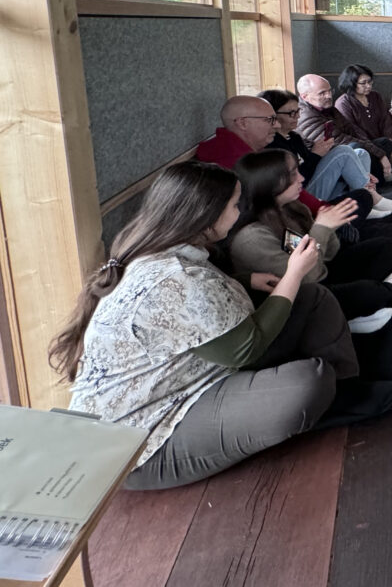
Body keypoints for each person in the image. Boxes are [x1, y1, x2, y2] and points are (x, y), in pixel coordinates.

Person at [54, 162, 357, 490]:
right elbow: (244, 349)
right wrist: (294, 273)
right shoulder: (176, 277)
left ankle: (345, 395)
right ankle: (325, 394)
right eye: (233, 205)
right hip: (143, 438)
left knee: (312, 298)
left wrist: (247, 279)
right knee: (308, 382)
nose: (239, 211)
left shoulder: (156, 251)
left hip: (192, 378)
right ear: (206, 215)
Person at [229, 151, 392, 325]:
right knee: (369, 292)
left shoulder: (290, 208)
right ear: (270, 182)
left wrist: (330, 226)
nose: (301, 178)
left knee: (382, 247)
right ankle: (383, 291)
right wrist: (321, 228)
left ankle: (365, 304)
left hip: (319, 272)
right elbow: (309, 279)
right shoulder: (252, 238)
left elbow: (329, 255)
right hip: (303, 296)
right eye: (293, 174)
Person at [258, 88, 392, 219]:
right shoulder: (272, 144)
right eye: (291, 113)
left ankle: (364, 200)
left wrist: (359, 172)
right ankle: (371, 200)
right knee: (344, 151)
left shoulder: (294, 137)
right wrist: (316, 154)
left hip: (319, 184)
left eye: (298, 111)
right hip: (302, 195)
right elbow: (298, 178)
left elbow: (352, 130)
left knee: (361, 153)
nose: (297, 117)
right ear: (273, 116)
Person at [298, 73, 392, 181]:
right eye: (322, 93)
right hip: (324, 161)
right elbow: (339, 141)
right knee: (355, 147)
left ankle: (384, 175)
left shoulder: (327, 107)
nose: (329, 96)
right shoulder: (305, 116)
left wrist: (376, 150)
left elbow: (353, 130)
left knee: (384, 142)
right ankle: (380, 182)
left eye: (329, 91)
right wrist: (380, 155)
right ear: (305, 96)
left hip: (342, 149)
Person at [334, 64, 392, 173]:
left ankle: (384, 167)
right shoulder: (343, 103)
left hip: (383, 143)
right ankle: (384, 170)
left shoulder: (375, 96)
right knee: (365, 156)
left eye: (370, 82)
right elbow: (355, 132)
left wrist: (389, 142)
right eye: (363, 83)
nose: (368, 86)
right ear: (351, 83)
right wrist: (380, 152)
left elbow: (386, 119)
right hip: (364, 147)